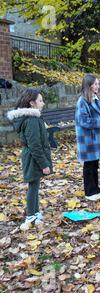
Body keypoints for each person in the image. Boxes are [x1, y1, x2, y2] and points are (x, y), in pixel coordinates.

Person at [7, 89, 52, 229]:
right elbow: (35, 145)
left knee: (35, 185)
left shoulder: (33, 118)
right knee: (33, 186)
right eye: (40, 100)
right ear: (32, 103)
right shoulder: (31, 120)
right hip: (33, 158)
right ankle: (31, 216)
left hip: (32, 157)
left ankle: (36, 212)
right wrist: (44, 164)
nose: (43, 103)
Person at [75, 74, 100, 201]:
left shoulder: (95, 99)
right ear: (89, 85)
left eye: (98, 83)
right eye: (96, 84)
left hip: (95, 138)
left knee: (95, 164)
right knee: (89, 165)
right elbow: (84, 121)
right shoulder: (82, 101)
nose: (98, 86)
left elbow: (99, 117)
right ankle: (89, 192)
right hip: (87, 139)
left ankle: (95, 189)